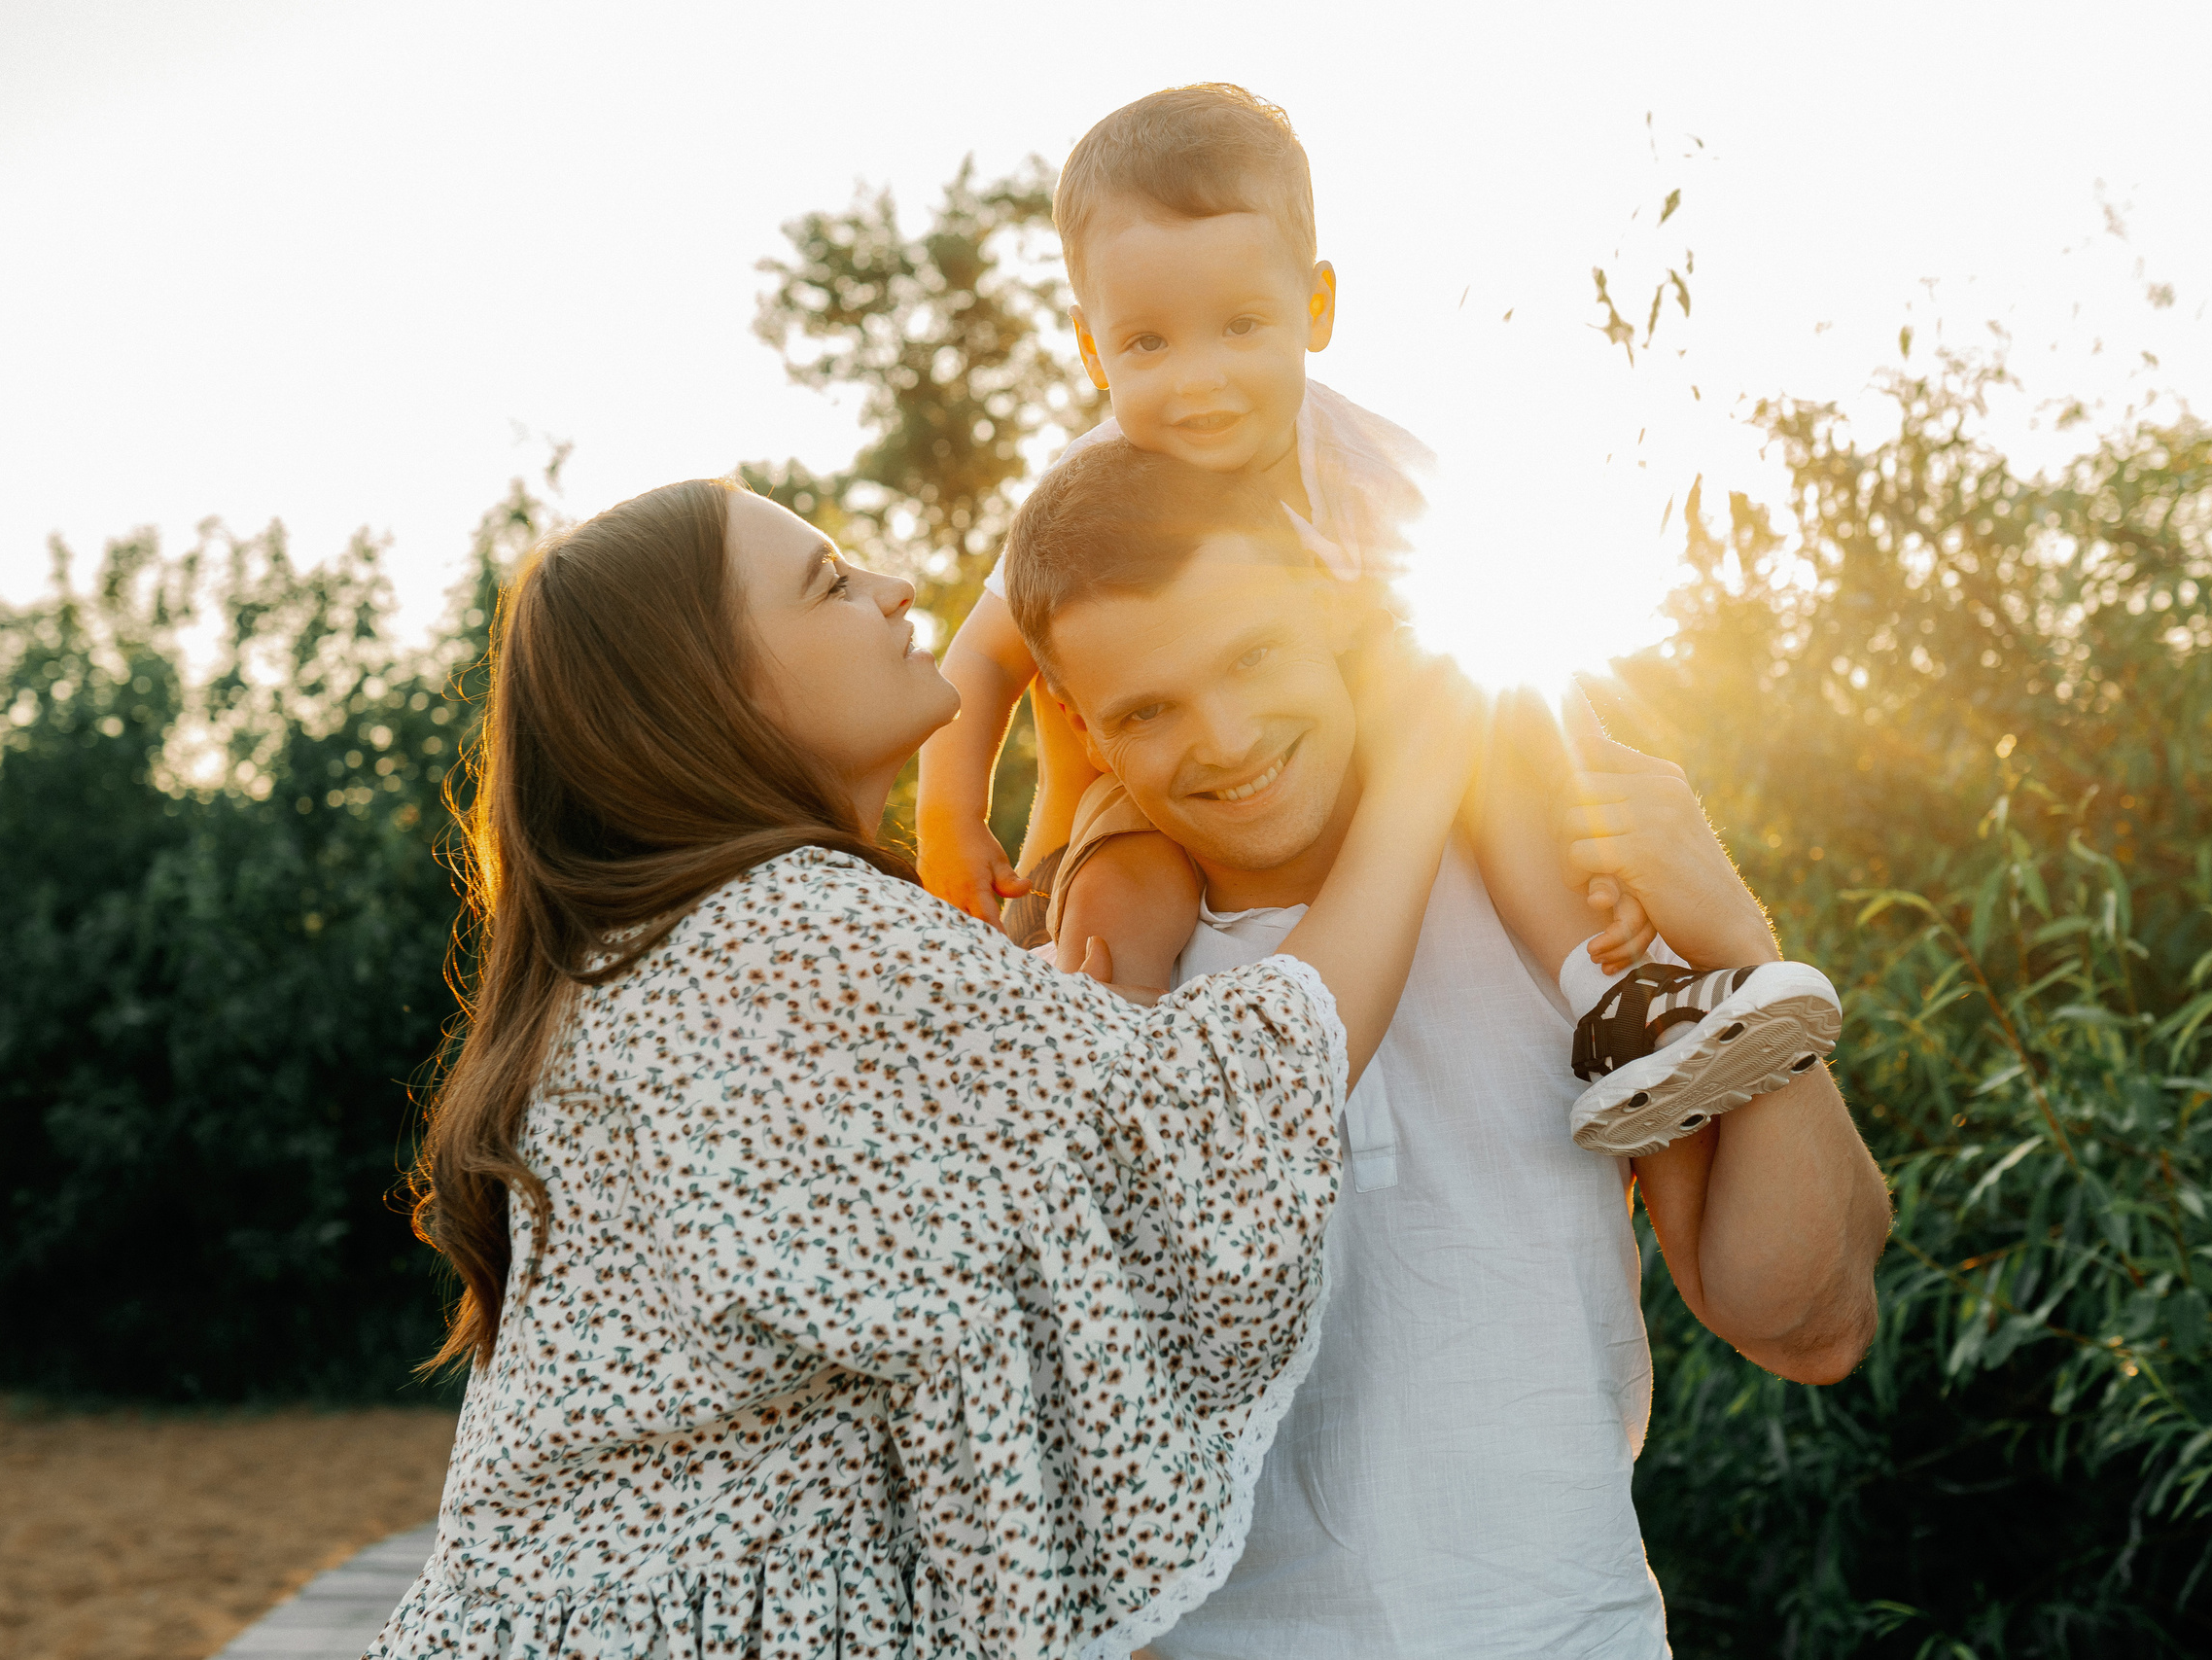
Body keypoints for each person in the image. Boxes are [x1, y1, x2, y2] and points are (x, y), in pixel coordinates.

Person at [373, 478, 1489, 1660]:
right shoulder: (790, 934)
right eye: (828, 583)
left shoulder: (681, 945)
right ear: (715, 691)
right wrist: (1418, 784)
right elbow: (1223, 1103)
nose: (894, 586)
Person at [1001, 441, 1895, 1657]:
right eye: (1147, 709)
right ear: (1078, 725)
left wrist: (1739, 941)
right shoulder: (1080, 983)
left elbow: (1808, 1326)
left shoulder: (1560, 898)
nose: (1223, 740)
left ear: (1324, 602)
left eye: (1250, 654)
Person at [916, 83, 1834, 1152]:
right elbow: (979, 660)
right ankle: (1096, 1087)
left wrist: (1597, 826)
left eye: (1240, 327)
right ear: (1090, 349)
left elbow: (1508, 652)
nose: (1199, 381)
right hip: (1145, 790)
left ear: (1316, 306)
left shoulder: (1376, 468)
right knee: (1125, 890)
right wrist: (950, 815)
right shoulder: (1085, 491)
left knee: (1481, 747)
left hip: (1336, 777)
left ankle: (1605, 1000)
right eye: (1148, 345)